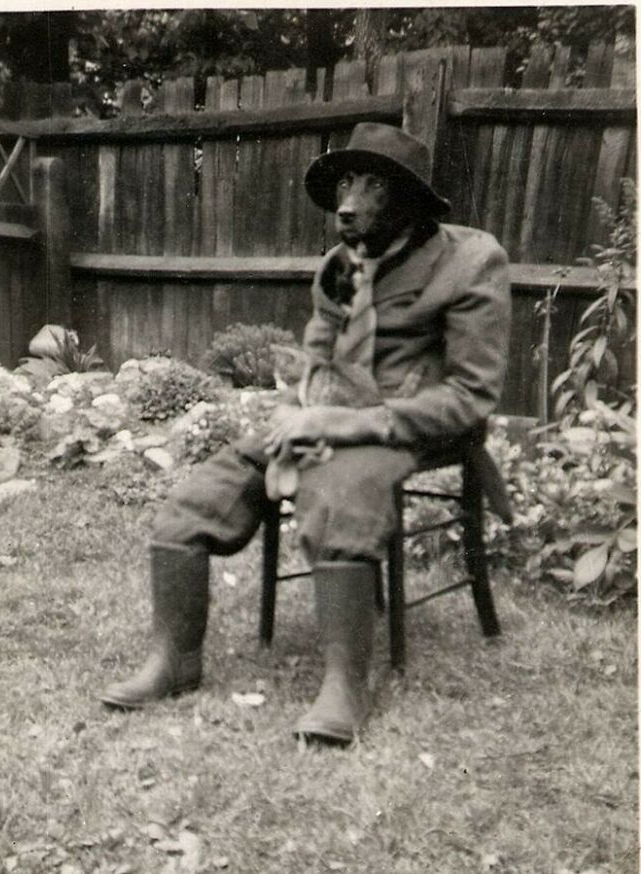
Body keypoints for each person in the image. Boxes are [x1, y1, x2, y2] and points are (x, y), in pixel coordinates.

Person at [100, 122, 511, 744]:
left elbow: (470, 395)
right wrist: (295, 413)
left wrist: (340, 425)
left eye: (374, 186)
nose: (350, 202)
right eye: (346, 183)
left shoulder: (471, 261)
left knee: (339, 499)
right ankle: (174, 661)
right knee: (192, 505)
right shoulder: (338, 267)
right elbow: (317, 360)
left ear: (410, 199)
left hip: (411, 426)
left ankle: (345, 686)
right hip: (329, 411)